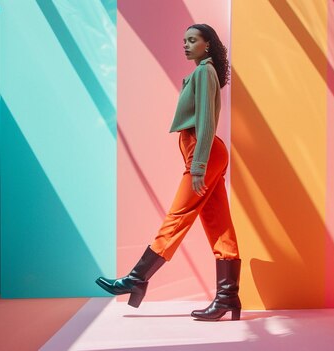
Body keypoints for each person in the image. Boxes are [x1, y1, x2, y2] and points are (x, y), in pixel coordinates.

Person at [96, 23, 241, 321]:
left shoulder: (203, 72)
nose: (186, 45)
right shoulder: (205, 71)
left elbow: (205, 122)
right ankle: (228, 298)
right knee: (218, 223)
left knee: (177, 218)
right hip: (205, 150)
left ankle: (137, 279)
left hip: (204, 150)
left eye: (192, 40)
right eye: (184, 40)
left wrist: (198, 165)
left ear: (208, 45)